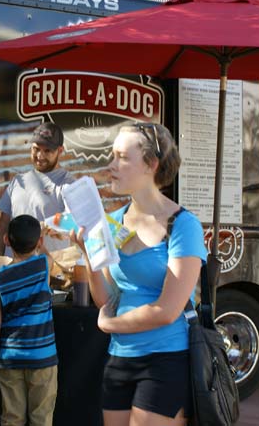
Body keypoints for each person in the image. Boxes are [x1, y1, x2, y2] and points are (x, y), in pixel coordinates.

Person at [71, 123, 207, 426]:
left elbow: (166, 311)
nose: (111, 165)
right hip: (120, 358)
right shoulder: (111, 222)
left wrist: (109, 324)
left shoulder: (182, 225)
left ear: (151, 165)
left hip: (166, 358)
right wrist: (88, 255)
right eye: (112, 155)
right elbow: (107, 298)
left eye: (121, 157)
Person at [0, 214, 58, 426]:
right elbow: (51, 258)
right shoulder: (43, 266)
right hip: (42, 357)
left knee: (12, 418)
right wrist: (42, 242)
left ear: (6, 240)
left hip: (10, 358)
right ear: (39, 242)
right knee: (42, 418)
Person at [0, 122, 75, 257]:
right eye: (36, 149)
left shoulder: (67, 183)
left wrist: (47, 225)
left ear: (60, 151)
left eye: (47, 151)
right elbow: (3, 225)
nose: (40, 156)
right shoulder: (17, 181)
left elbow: (72, 221)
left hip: (47, 272)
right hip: (12, 269)